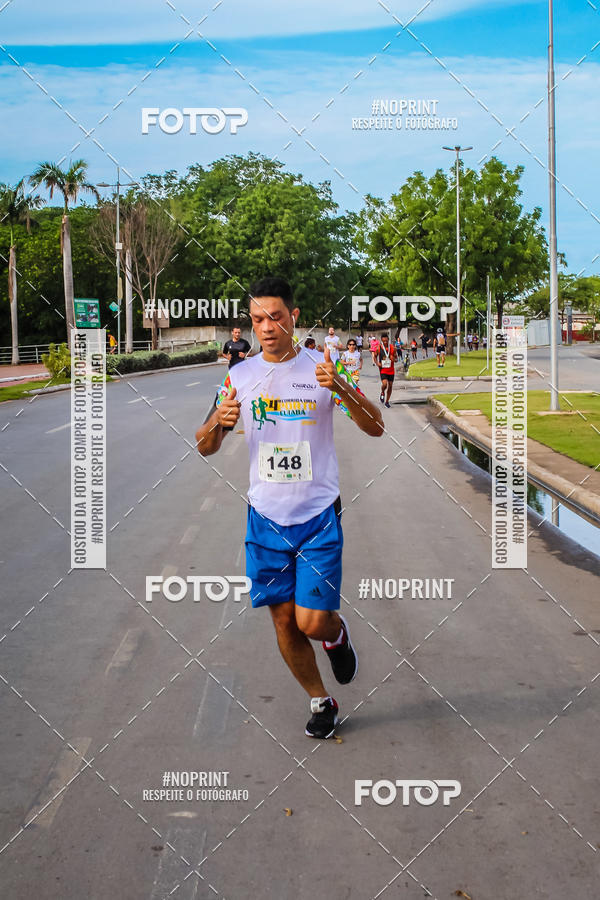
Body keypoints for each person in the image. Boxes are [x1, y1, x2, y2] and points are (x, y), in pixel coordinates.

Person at [195, 276, 383, 740]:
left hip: (317, 513)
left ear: (293, 317)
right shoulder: (239, 376)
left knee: (311, 621)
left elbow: (375, 426)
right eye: (258, 319)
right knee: (283, 619)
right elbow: (204, 445)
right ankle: (321, 700)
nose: (267, 327)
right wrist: (218, 424)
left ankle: (336, 635)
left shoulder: (326, 363)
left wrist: (343, 387)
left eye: (276, 317)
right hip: (265, 516)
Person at [376, 332, 396, 407]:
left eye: (386, 341)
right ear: (381, 341)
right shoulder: (379, 348)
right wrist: (377, 363)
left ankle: (387, 401)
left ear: (388, 340)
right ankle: (382, 392)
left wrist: (393, 358)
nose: (385, 342)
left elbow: (396, 359)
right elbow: (374, 356)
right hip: (383, 370)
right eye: (383, 341)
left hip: (391, 370)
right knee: (385, 384)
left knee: (390, 386)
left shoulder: (393, 348)